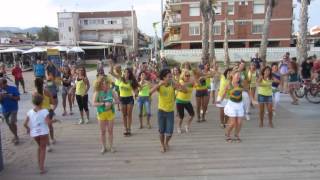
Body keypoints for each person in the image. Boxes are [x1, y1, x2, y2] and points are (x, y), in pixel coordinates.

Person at [150, 68, 186, 153]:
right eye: (169, 77)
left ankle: (166, 142)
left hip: (170, 112)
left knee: (170, 132)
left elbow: (185, 90)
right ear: (164, 77)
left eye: (171, 76)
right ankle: (163, 145)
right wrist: (158, 85)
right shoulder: (160, 86)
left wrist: (176, 83)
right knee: (161, 131)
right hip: (161, 111)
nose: (170, 78)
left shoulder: (172, 85)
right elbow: (149, 92)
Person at [24, 94, 52, 174]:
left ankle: (39, 164)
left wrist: (28, 129)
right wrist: (55, 120)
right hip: (43, 132)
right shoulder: (45, 111)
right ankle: (41, 168)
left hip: (35, 133)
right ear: (42, 102)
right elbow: (48, 122)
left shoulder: (29, 112)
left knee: (39, 147)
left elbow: (25, 124)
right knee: (43, 149)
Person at [110, 62, 138, 136]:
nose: (126, 74)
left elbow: (136, 91)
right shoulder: (120, 79)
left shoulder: (131, 81)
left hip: (129, 98)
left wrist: (135, 93)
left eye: (127, 73)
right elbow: (111, 73)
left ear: (129, 74)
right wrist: (111, 65)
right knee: (124, 114)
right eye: (125, 72)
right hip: (122, 98)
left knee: (129, 114)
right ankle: (125, 128)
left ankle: (129, 128)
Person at [93, 76, 119, 154]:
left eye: (106, 83)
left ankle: (111, 147)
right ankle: (103, 147)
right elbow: (94, 103)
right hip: (101, 113)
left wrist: (111, 103)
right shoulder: (97, 92)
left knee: (110, 131)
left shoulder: (111, 91)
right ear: (100, 84)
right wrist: (103, 104)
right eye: (103, 83)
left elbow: (117, 101)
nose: (105, 84)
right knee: (103, 131)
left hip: (110, 113)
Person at [218, 70, 244, 143]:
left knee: (239, 122)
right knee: (233, 123)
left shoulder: (241, 84)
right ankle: (227, 134)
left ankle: (236, 134)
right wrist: (220, 100)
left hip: (240, 104)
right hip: (232, 104)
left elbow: (248, 90)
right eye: (237, 75)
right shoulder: (229, 84)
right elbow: (224, 93)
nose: (239, 77)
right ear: (232, 75)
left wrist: (253, 99)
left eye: (239, 75)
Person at [34, 77, 55, 151]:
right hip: (48, 111)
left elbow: (34, 105)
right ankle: (52, 139)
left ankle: (48, 145)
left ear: (35, 85)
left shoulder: (34, 93)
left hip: (39, 112)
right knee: (50, 126)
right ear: (43, 83)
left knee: (44, 129)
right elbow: (53, 102)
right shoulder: (47, 91)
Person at [0, 78, 20, 145]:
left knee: (12, 122)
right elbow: (0, 101)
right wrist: (1, 97)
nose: (0, 86)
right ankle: (15, 135)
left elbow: (18, 98)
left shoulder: (13, 88)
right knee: (9, 124)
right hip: (5, 109)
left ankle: (16, 137)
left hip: (13, 108)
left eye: (1, 84)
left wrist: (11, 96)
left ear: (5, 84)